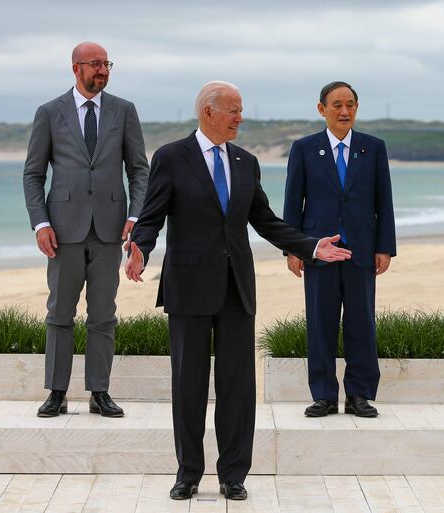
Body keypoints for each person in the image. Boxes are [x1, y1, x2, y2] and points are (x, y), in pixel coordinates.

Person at [125, 81, 351, 501]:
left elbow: (266, 220)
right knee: (188, 386)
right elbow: (152, 215)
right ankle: (188, 473)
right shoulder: (171, 157)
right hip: (189, 287)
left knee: (237, 387)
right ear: (208, 112)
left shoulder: (247, 162)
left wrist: (310, 245)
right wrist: (140, 247)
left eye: (240, 110)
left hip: (236, 288)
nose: (240, 118)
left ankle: (233, 475)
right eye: (233, 110)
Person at [23, 41, 149, 418]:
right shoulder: (49, 113)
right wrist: (41, 223)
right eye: (95, 64)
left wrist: (136, 216)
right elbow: (33, 174)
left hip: (111, 229)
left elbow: (139, 170)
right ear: (75, 68)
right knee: (60, 313)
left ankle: (100, 392)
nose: (103, 70)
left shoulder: (124, 111)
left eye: (107, 64)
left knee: (103, 314)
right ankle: (57, 392)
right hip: (62, 231)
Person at [283, 81, 396, 418]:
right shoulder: (304, 148)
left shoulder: (373, 148)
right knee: (320, 323)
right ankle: (323, 396)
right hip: (319, 251)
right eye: (337, 105)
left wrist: (385, 247)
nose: (344, 111)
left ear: (356, 108)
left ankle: (359, 395)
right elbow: (293, 201)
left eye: (350, 105)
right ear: (322, 109)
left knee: (362, 323)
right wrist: (294, 249)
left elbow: (384, 201)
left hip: (361, 249)